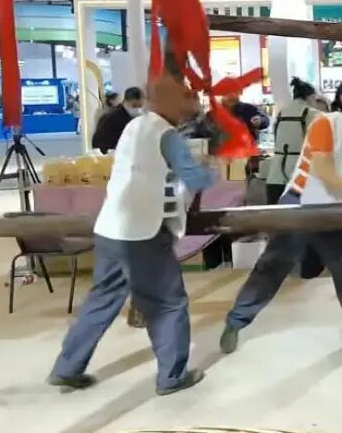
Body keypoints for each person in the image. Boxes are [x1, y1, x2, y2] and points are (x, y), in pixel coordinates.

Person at [48, 74, 216, 395]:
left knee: (102, 298)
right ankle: (172, 377)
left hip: (110, 228)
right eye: (184, 99)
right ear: (168, 102)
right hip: (143, 233)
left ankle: (67, 367)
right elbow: (195, 179)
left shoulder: (134, 126)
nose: (189, 106)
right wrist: (212, 169)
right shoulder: (167, 135)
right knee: (167, 303)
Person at [220, 85, 342, 353]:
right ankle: (235, 322)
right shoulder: (325, 124)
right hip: (299, 201)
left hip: (330, 211)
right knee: (273, 265)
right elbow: (322, 168)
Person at [266, 77, 322, 206]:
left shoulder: (280, 114)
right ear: (310, 97)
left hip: (275, 176)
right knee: (301, 217)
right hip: (301, 178)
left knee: (276, 216)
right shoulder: (314, 115)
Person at [92, 87, 144, 154]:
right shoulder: (117, 118)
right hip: (108, 153)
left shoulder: (127, 115)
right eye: (134, 106)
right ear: (125, 101)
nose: (137, 109)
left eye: (140, 106)